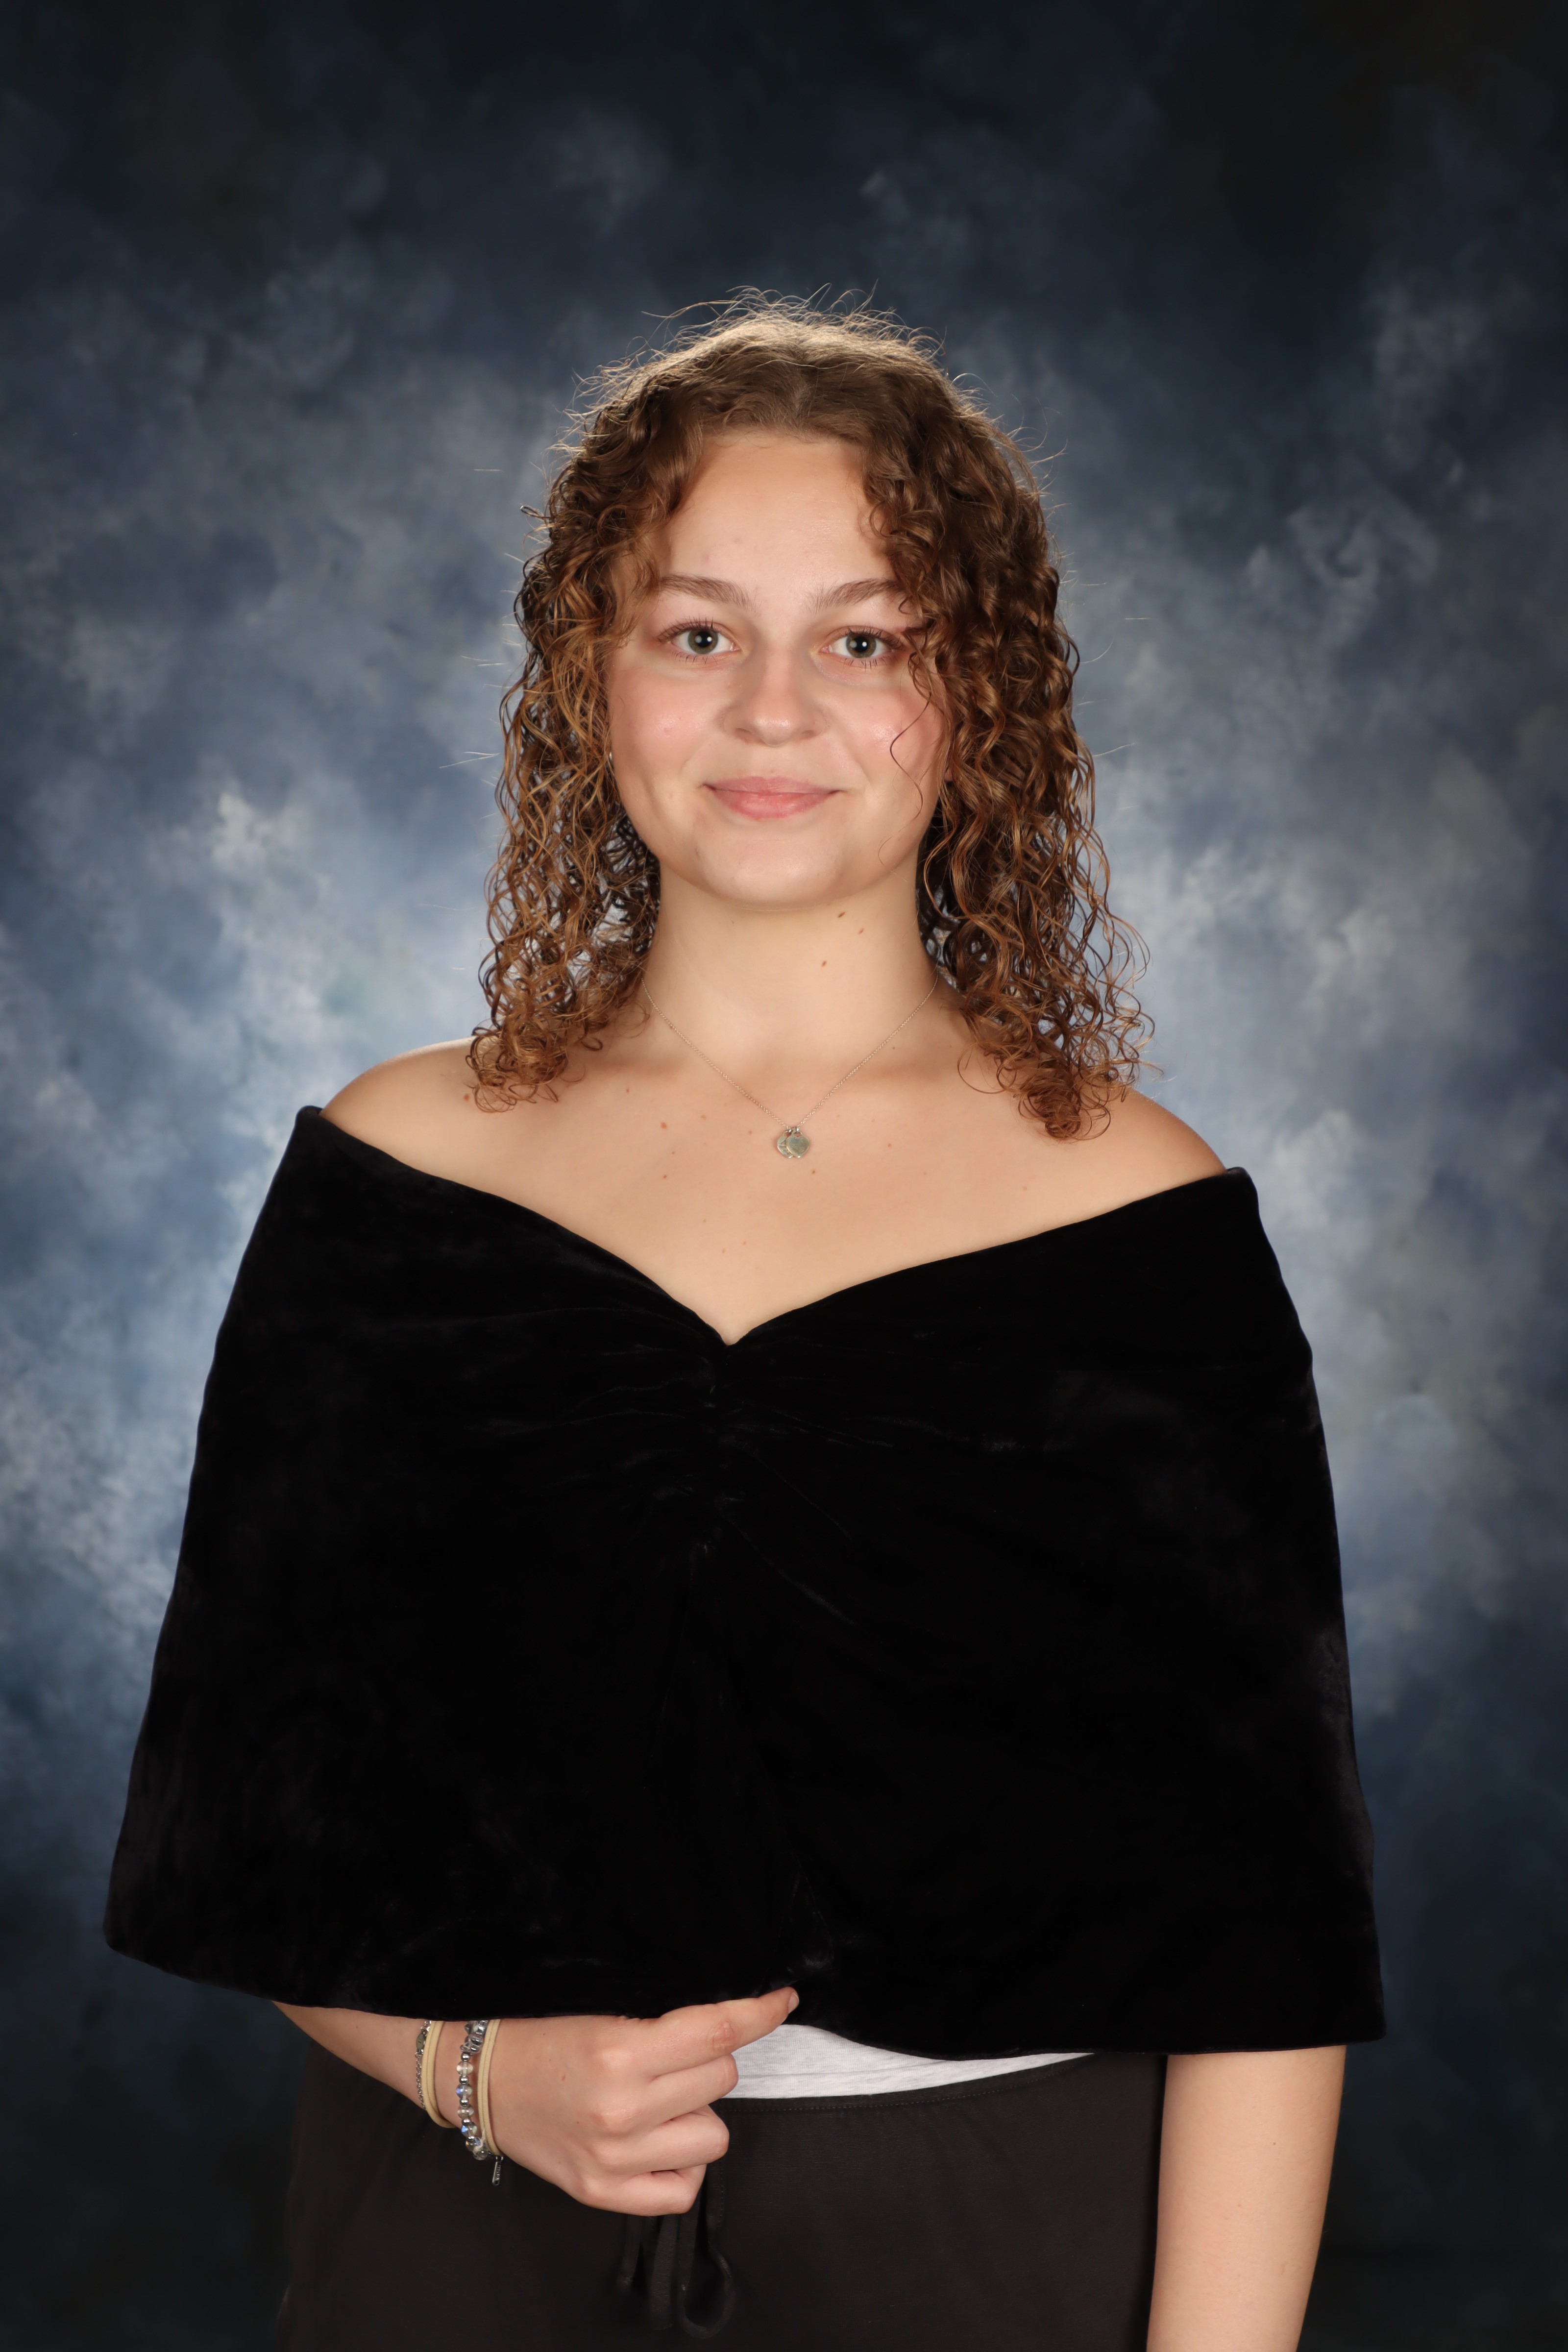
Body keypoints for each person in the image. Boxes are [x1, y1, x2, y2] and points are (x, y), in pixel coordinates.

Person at [105, 301, 1382, 2351]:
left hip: (995, 2250)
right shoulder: (394, 1169)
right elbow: (245, 1822)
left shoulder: (1136, 1214)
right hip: (455, 2233)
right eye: (697, 631)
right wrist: (479, 2073)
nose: (773, 710)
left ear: (975, 696)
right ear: (590, 678)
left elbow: (1265, 1938)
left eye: (863, 639)